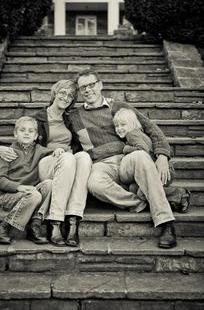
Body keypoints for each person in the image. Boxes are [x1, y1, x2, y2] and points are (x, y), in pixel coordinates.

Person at [68, 69, 186, 249]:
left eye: (91, 85)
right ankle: (159, 200)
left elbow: (152, 129)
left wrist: (162, 156)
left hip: (127, 159)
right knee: (93, 184)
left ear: (100, 85)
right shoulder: (75, 116)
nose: (87, 90)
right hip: (101, 165)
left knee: (140, 155)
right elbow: (59, 132)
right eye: (82, 87)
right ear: (79, 91)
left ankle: (165, 223)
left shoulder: (118, 107)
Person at [0, 80, 92, 247]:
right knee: (68, 158)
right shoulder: (37, 119)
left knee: (83, 157)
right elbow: (21, 141)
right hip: (45, 164)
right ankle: (55, 220)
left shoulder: (71, 119)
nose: (66, 97)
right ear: (54, 93)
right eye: (62, 92)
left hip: (65, 162)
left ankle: (73, 219)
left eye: (70, 95)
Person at [112, 107, 190, 212]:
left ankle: (178, 193)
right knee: (133, 188)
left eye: (123, 125)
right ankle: (173, 202)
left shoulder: (131, 135)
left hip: (160, 171)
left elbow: (142, 150)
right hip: (161, 170)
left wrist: (126, 149)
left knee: (141, 192)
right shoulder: (139, 133)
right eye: (116, 126)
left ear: (132, 123)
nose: (119, 128)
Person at [0, 116, 52, 245]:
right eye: (22, 130)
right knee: (35, 195)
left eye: (31, 131)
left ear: (36, 136)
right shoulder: (8, 152)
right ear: (15, 133)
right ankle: (4, 227)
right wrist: (18, 187)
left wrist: (59, 151)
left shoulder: (40, 150)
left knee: (49, 184)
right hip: (9, 196)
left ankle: (35, 224)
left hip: (31, 193)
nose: (27, 133)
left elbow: (54, 153)